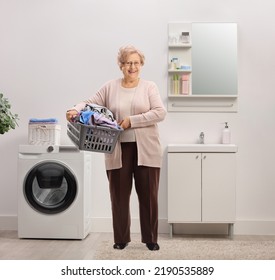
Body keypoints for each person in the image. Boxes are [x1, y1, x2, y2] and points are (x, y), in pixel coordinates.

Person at [66, 45, 166, 251]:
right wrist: (74, 109)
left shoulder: (149, 87)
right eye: (128, 62)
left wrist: (132, 121)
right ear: (121, 65)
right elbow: (89, 103)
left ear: (142, 65)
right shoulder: (110, 87)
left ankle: (150, 239)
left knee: (148, 195)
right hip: (117, 148)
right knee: (119, 195)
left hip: (146, 149)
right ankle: (121, 238)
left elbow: (160, 112)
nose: (132, 66)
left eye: (136, 62)